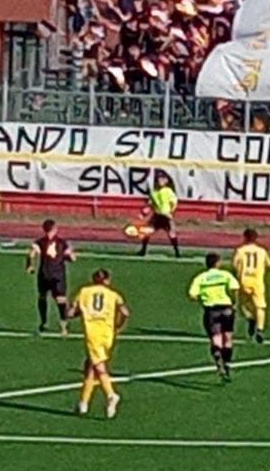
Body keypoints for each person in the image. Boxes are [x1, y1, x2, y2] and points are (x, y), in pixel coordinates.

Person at [65, 268, 129, 418]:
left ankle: (111, 394)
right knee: (90, 365)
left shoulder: (84, 292)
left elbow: (71, 312)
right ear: (107, 281)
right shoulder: (114, 295)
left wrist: (69, 314)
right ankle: (83, 403)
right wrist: (118, 325)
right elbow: (125, 312)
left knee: (99, 366)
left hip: (93, 333)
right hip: (108, 334)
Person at [188, 252, 241, 381]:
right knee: (228, 338)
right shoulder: (225, 275)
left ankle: (218, 361)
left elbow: (192, 295)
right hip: (226, 308)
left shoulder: (201, 278)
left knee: (216, 339)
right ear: (218, 263)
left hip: (211, 310)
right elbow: (235, 288)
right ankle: (227, 364)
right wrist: (234, 301)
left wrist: (203, 297)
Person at [25, 218, 77, 335]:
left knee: (42, 297)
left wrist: (29, 266)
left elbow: (31, 254)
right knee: (61, 299)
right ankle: (63, 326)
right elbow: (73, 258)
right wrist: (67, 256)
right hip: (58, 274)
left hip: (44, 273)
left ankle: (43, 322)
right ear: (55, 229)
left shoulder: (39, 242)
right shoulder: (62, 242)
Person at [232, 228, 270, 343]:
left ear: (245, 237)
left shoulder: (240, 250)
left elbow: (235, 265)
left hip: (244, 280)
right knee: (260, 306)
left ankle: (250, 318)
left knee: (242, 306)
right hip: (257, 281)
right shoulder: (262, 251)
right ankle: (260, 329)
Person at [138, 169, 180, 257]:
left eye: (162, 179)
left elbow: (174, 202)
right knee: (147, 231)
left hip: (166, 216)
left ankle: (177, 252)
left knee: (171, 233)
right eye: (158, 179)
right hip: (157, 215)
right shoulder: (154, 192)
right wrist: (143, 213)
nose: (160, 181)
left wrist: (170, 212)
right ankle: (143, 250)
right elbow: (151, 204)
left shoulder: (168, 191)